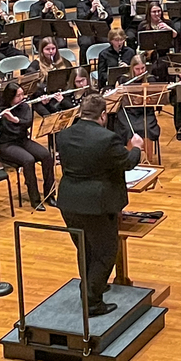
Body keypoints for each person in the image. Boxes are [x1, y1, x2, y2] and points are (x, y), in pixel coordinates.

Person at [55, 93, 143, 317]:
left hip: (68, 201)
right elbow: (128, 163)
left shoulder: (63, 135)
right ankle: (92, 301)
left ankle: (94, 286)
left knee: (84, 249)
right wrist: (136, 148)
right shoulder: (107, 139)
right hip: (97, 204)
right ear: (103, 115)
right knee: (105, 253)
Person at [0, 82, 55, 211]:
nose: (22, 97)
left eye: (22, 94)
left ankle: (50, 194)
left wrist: (14, 119)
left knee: (46, 155)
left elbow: (27, 123)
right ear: (10, 97)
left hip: (22, 140)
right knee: (28, 160)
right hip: (7, 145)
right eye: (18, 96)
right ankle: (35, 199)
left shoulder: (24, 107)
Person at [115, 56, 161, 164]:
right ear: (132, 68)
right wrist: (118, 91)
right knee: (128, 128)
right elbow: (116, 97)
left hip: (145, 112)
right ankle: (132, 160)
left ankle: (147, 160)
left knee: (147, 128)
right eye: (137, 69)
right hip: (128, 112)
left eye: (143, 68)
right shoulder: (123, 79)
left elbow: (157, 99)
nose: (140, 72)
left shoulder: (151, 79)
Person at [76, 0, 113, 65]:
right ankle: (84, 67)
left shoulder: (105, 3)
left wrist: (103, 10)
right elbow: (81, 19)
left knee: (109, 41)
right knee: (84, 43)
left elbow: (110, 20)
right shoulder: (81, 5)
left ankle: (107, 65)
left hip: (102, 32)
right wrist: (91, 10)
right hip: (87, 33)